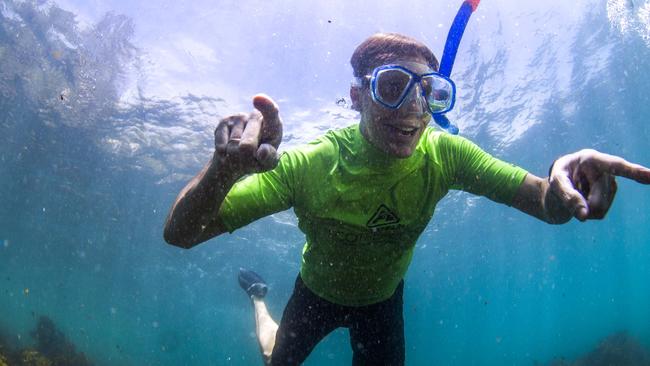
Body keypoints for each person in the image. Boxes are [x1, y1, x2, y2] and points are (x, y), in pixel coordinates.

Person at [163, 33, 650, 365]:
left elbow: (547, 205)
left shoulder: (448, 156)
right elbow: (180, 236)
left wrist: (568, 182)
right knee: (275, 358)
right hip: (315, 295)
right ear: (358, 97)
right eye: (394, 87)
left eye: (431, 93)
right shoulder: (309, 165)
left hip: (382, 304)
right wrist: (221, 171)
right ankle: (260, 298)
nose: (415, 109)